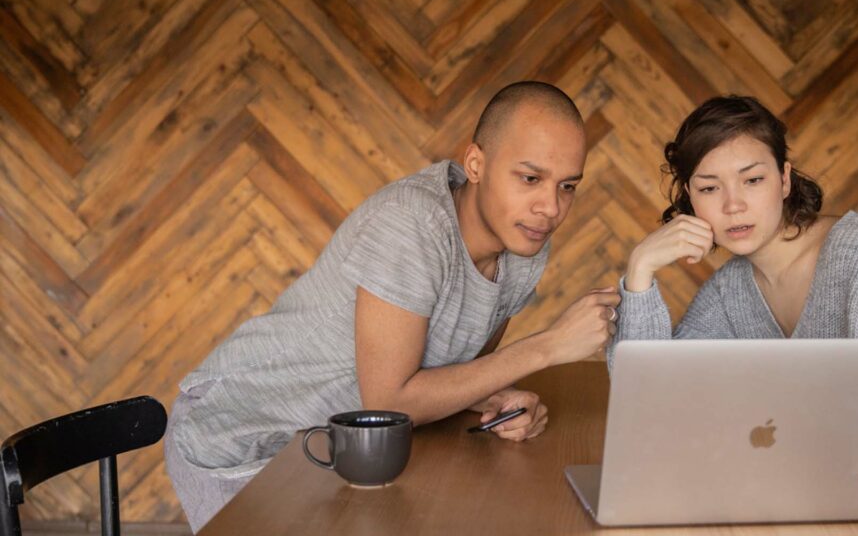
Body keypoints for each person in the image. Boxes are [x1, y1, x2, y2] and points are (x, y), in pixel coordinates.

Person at [165, 81, 621, 532]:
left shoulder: (523, 242)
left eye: (568, 186)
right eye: (530, 178)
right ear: (476, 164)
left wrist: (497, 401)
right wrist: (547, 347)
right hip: (240, 438)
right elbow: (388, 401)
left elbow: (455, 372)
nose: (550, 207)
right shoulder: (411, 224)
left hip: (332, 447)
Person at [608, 95, 858, 534]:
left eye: (752, 180)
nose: (733, 205)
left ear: (784, 180)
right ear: (691, 200)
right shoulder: (729, 292)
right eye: (710, 188)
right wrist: (641, 272)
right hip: (853, 502)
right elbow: (651, 402)